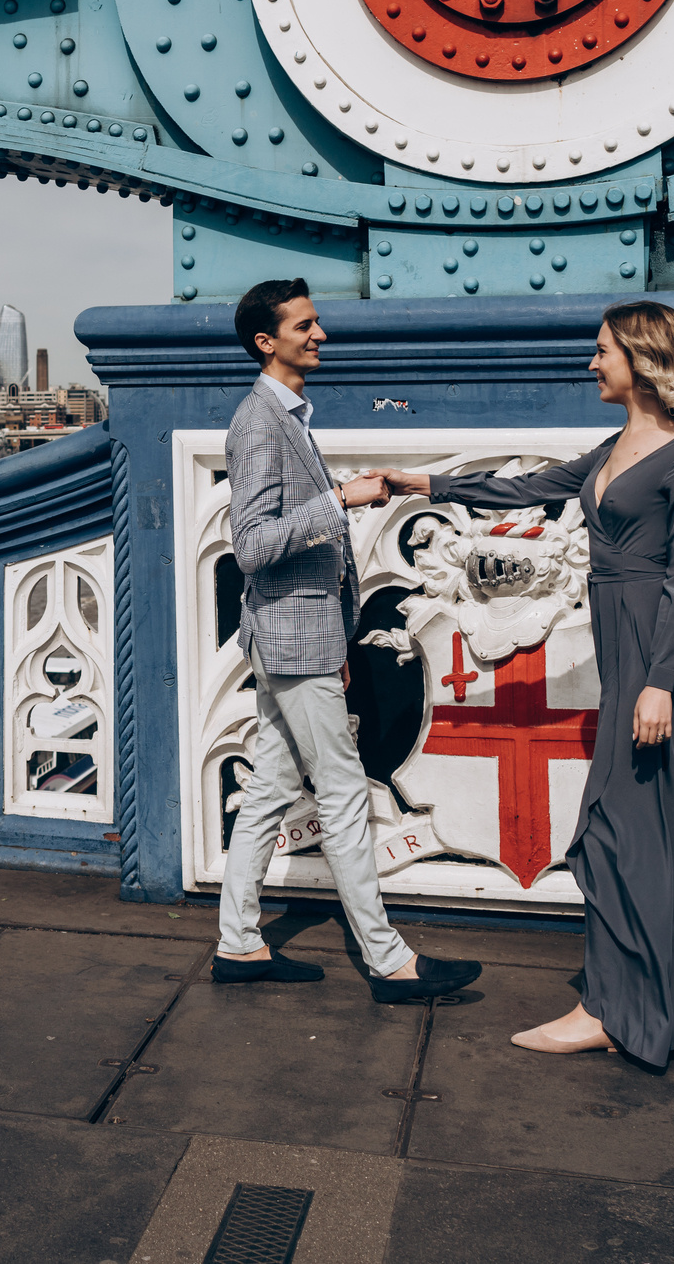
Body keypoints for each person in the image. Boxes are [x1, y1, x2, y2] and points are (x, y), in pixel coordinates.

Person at [372, 301, 674, 1063]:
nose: (590, 364)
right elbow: (527, 491)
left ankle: (612, 1009)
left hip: (667, 669)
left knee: (623, 833)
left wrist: (657, 685)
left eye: (601, 352)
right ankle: (637, 1002)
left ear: (641, 356)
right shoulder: (615, 445)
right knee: (642, 836)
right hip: (630, 661)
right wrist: (415, 483)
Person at [216, 278, 483, 1003]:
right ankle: (389, 961)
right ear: (266, 342)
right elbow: (251, 546)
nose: (321, 334)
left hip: (300, 636)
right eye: (304, 326)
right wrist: (339, 500)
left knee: (271, 790)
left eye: (317, 323)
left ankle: (239, 944)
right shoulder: (258, 422)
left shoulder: (289, 416)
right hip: (290, 638)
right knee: (341, 793)